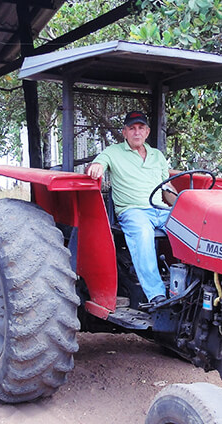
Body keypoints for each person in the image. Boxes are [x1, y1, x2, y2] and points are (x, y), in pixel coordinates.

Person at [86, 111, 176, 304]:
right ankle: (156, 295)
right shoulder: (113, 152)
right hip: (133, 211)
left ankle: (186, 287)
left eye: (141, 128)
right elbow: (99, 164)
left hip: (159, 210)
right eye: (132, 128)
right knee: (143, 234)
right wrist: (96, 167)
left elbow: (166, 187)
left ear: (147, 132)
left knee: (190, 229)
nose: (137, 132)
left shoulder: (157, 155)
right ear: (124, 132)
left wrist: (182, 206)